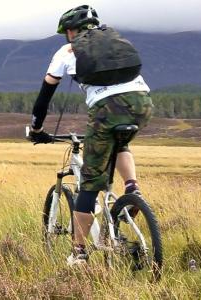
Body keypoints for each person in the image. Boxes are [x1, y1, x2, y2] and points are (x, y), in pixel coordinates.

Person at [27, 5, 154, 267]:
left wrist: (37, 129)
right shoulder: (114, 41)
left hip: (106, 110)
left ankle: (79, 252)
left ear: (70, 31)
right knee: (120, 143)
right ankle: (132, 188)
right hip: (143, 103)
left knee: (89, 184)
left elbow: (44, 96)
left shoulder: (67, 50)